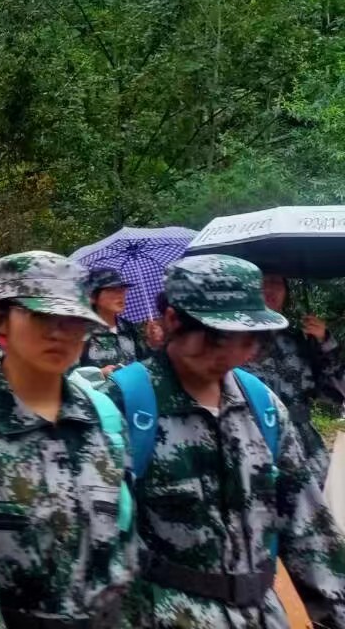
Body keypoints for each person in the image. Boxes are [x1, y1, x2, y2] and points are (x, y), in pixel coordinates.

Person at [105, 255, 345, 628]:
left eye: (249, 338)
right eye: (218, 336)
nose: (235, 353)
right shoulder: (123, 406)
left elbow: (308, 526)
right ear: (173, 321)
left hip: (262, 614)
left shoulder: (262, 406)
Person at [0, 251, 136, 629]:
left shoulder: (105, 419)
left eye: (72, 320)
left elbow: (124, 555)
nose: (59, 333)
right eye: (41, 317)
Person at [241, 271, 345, 487]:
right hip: (252, 443)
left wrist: (324, 341)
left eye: (277, 282)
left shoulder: (299, 341)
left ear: (287, 292)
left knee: (316, 504)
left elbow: (336, 392)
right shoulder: (234, 343)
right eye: (262, 282)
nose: (270, 288)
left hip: (304, 447)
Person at [78, 267, 144, 374]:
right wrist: (99, 374)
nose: (120, 295)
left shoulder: (130, 328)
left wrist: (153, 344)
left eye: (122, 290)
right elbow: (68, 375)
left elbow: (145, 364)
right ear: (93, 297)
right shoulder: (80, 332)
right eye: (112, 290)